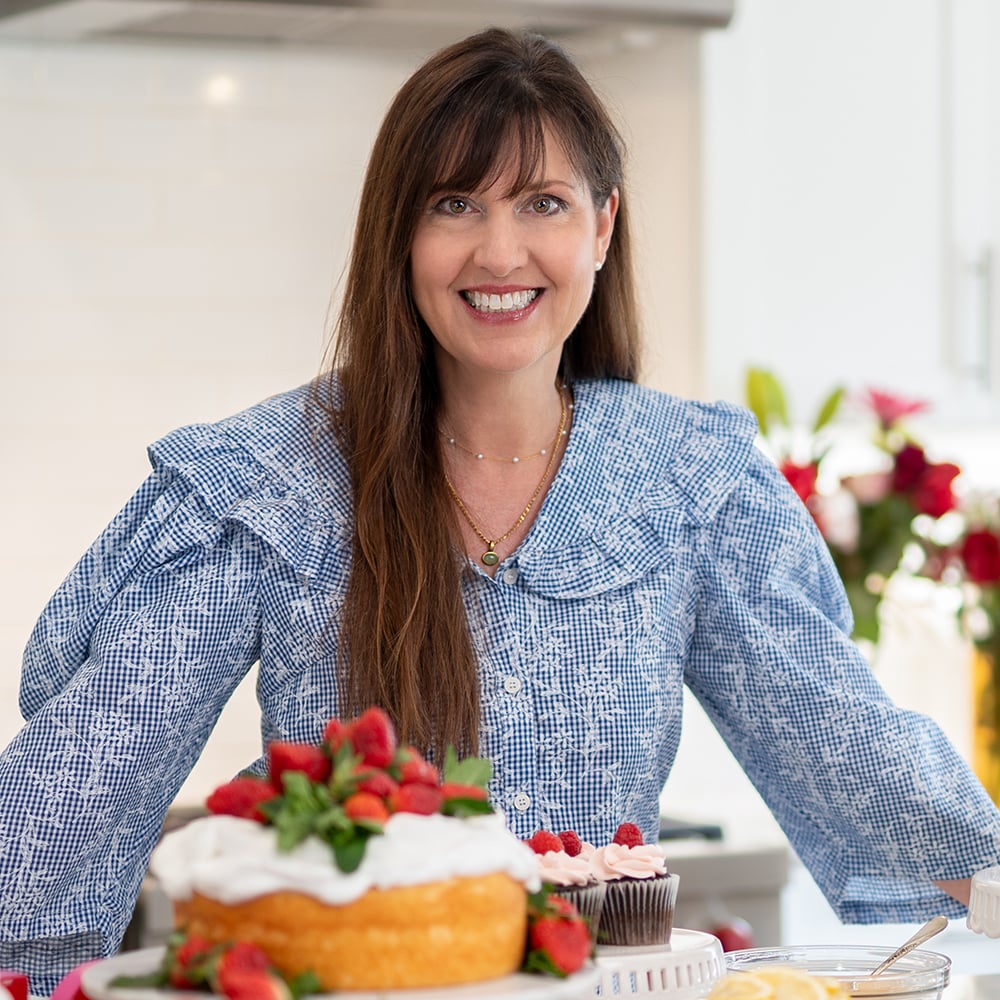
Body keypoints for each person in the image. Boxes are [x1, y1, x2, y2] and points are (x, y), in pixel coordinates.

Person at [0, 25, 995, 994]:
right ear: (400, 233)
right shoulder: (264, 483)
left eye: (542, 203)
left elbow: (845, 746)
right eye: (455, 204)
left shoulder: (690, 481)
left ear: (602, 226)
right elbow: (71, 796)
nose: (500, 250)